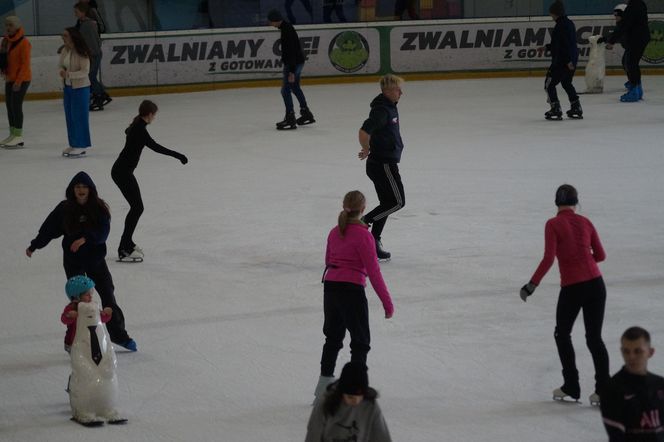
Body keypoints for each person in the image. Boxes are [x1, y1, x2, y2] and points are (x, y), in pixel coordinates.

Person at [26, 171, 137, 352]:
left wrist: (85, 238)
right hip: (73, 262)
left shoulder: (99, 208)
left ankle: (119, 335)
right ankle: (75, 339)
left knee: (108, 296)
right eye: (77, 187)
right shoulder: (64, 208)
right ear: (72, 190)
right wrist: (35, 245)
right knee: (79, 304)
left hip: (95, 261)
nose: (81, 190)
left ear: (91, 190)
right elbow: (49, 229)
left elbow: (103, 232)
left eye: (84, 187)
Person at [520, 184, 609, 405]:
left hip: (573, 288)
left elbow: (549, 258)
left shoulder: (552, 224)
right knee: (594, 339)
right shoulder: (586, 222)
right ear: (576, 202)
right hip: (597, 284)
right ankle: (604, 390)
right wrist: (584, 260)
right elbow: (601, 255)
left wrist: (532, 285)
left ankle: (571, 385)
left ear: (556, 203)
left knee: (562, 334)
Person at [314, 191, 394, 403]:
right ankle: (357, 390)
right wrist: (387, 304)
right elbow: (374, 272)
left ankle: (322, 390)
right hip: (351, 290)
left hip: (330, 288)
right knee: (360, 342)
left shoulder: (334, 232)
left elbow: (328, 260)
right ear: (363, 209)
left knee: (332, 339)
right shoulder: (364, 235)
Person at [111, 100, 188, 262]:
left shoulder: (137, 124)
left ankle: (127, 242)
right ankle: (124, 247)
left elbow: (127, 131)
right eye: (155, 115)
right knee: (137, 207)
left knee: (137, 207)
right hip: (122, 173)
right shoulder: (139, 128)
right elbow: (155, 147)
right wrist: (178, 155)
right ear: (150, 114)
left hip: (122, 171)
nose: (155, 118)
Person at [358, 74, 406, 261]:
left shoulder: (389, 107)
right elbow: (364, 130)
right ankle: (364, 221)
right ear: (387, 91)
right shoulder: (381, 110)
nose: (401, 92)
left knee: (387, 203)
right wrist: (366, 148)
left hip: (383, 163)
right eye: (397, 89)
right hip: (383, 164)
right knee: (397, 202)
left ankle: (373, 241)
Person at [601, 326, 664, 441]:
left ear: (650, 352)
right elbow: (616, 437)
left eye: (637, 351)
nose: (631, 357)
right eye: (626, 351)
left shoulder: (660, 385)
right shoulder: (613, 389)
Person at [306, 361, 392, 442]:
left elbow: (382, 436)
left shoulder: (370, 405)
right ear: (341, 393)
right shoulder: (326, 403)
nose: (356, 401)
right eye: (350, 397)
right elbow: (313, 434)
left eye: (360, 396)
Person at [267, 9, 315, 130]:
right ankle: (306, 113)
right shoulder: (286, 28)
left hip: (293, 64)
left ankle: (290, 117)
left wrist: (292, 71)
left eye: (270, 21)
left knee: (285, 90)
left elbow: (292, 51)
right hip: (297, 62)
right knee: (294, 87)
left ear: (275, 20)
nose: (270, 24)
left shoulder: (286, 30)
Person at [543, 1, 582, 120]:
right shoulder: (568, 23)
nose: (551, 16)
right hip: (571, 59)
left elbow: (564, 45)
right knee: (566, 83)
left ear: (555, 13)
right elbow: (561, 43)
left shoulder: (560, 26)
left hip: (562, 61)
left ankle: (555, 108)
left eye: (551, 14)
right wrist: (547, 47)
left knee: (549, 84)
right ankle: (576, 106)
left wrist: (567, 61)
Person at [604, 0, 650, 102]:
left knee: (631, 63)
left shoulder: (633, 6)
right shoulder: (640, 4)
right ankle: (637, 89)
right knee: (632, 63)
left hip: (637, 38)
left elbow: (624, 25)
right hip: (641, 37)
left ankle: (634, 91)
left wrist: (611, 41)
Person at [59, 27, 92, 157]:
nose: (63, 37)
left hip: (81, 88)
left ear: (72, 37)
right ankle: (73, 143)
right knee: (70, 116)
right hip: (68, 88)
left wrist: (69, 75)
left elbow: (85, 71)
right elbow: (61, 65)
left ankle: (82, 145)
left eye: (65, 35)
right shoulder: (64, 50)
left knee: (80, 117)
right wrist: (62, 72)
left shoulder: (81, 52)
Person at [0, 15, 31, 149]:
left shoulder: (24, 43)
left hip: (22, 79)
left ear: (17, 27)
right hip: (10, 78)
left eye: (10, 25)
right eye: (6, 25)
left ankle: (18, 136)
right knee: (9, 107)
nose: (7, 28)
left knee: (16, 106)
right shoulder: (6, 41)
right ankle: (12, 134)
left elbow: (25, 64)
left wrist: (18, 81)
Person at [61, 275, 112, 354]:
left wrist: (106, 314)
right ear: (76, 297)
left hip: (89, 340)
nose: (91, 296)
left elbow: (100, 319)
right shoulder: (72, 307)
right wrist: (69, 315)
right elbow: (64, 319)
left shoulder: (92, 306)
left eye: (91, 293)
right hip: (74, 342)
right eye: (87, 294)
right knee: (80, 361)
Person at [74, 2, 110, 111]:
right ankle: (98, 94)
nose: (75, 14)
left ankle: (101, 95)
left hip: (94, 54)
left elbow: (92, 41)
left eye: (76, 12)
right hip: (92, 54)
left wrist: (92, 53)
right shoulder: (83, 23)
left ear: (83, 12)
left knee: (90, 77)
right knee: (90, 76)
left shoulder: (88, 24)